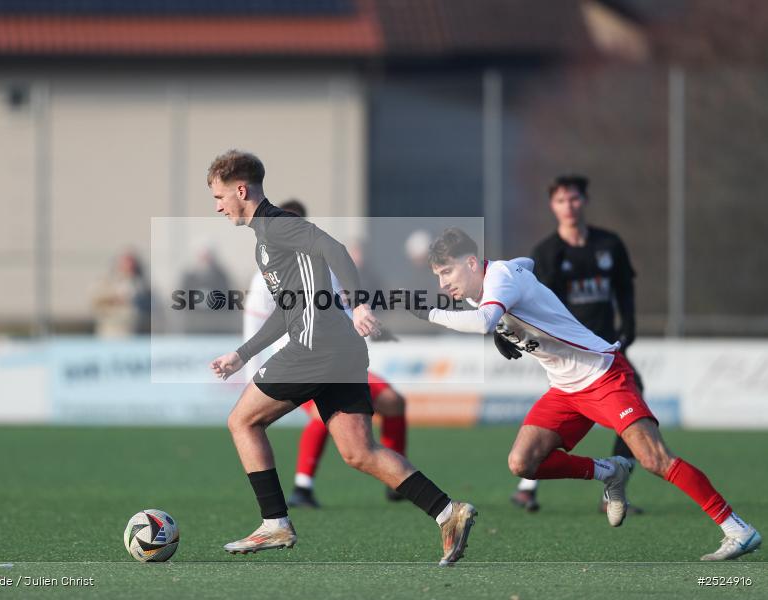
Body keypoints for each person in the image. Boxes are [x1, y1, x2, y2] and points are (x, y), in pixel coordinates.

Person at [406, 227, 760, 561]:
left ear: (471, 263)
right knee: (523, 463)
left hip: (603, 375)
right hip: (564, 389)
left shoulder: (499, 278)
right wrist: (508, 322)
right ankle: (609, 471)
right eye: (438, 275)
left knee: (655, 459)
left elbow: (486, 319)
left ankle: (737, 528)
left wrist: (432, 314)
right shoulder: (489, 283)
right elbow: (525, 265)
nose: (443, 283)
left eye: (447, 272)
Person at [207, 150, 475, 566]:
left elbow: (334, 248)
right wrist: (242, 354)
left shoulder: (279, 226)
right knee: (358, 452)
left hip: (316, 348)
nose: (218, 207)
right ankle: (447, 511)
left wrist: (361, 303)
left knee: (242, 420)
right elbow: (288, 309)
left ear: (241, 189)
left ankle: (275, 521)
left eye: (220, 196)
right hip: (341, 350)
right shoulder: (266, 239)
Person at [242, 200, 408, 508]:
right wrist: (249, 370)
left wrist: (363, 324)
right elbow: (255, 324)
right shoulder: (264, 275)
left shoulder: (322, 266)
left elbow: (341, 310)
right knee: (325, 415)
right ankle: (303, 487)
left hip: (337, 358)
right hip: (295, 364)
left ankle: (398, 483)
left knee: (393, 402)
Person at [508, 174, 643, 514]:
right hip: (566, 350)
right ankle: (532, 484)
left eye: (574, 199)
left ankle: (607, 485)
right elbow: (529, 301)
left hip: (605, 348)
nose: (569, 206)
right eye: (561, 200)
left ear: (585, 201)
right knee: (561, 413)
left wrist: (628, 328)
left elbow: (625, 290)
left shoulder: (609, 244)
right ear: (552, 206)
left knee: (632, 402)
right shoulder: (547, 252)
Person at [91, 250, 152, 337]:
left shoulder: (141, 284)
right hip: (110, 332)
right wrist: (115, 298)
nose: (128, 267)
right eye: (125, 263)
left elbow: (147, 307)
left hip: (134, 333)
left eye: (131, 264)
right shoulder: (107, 282)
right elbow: (96, 302)